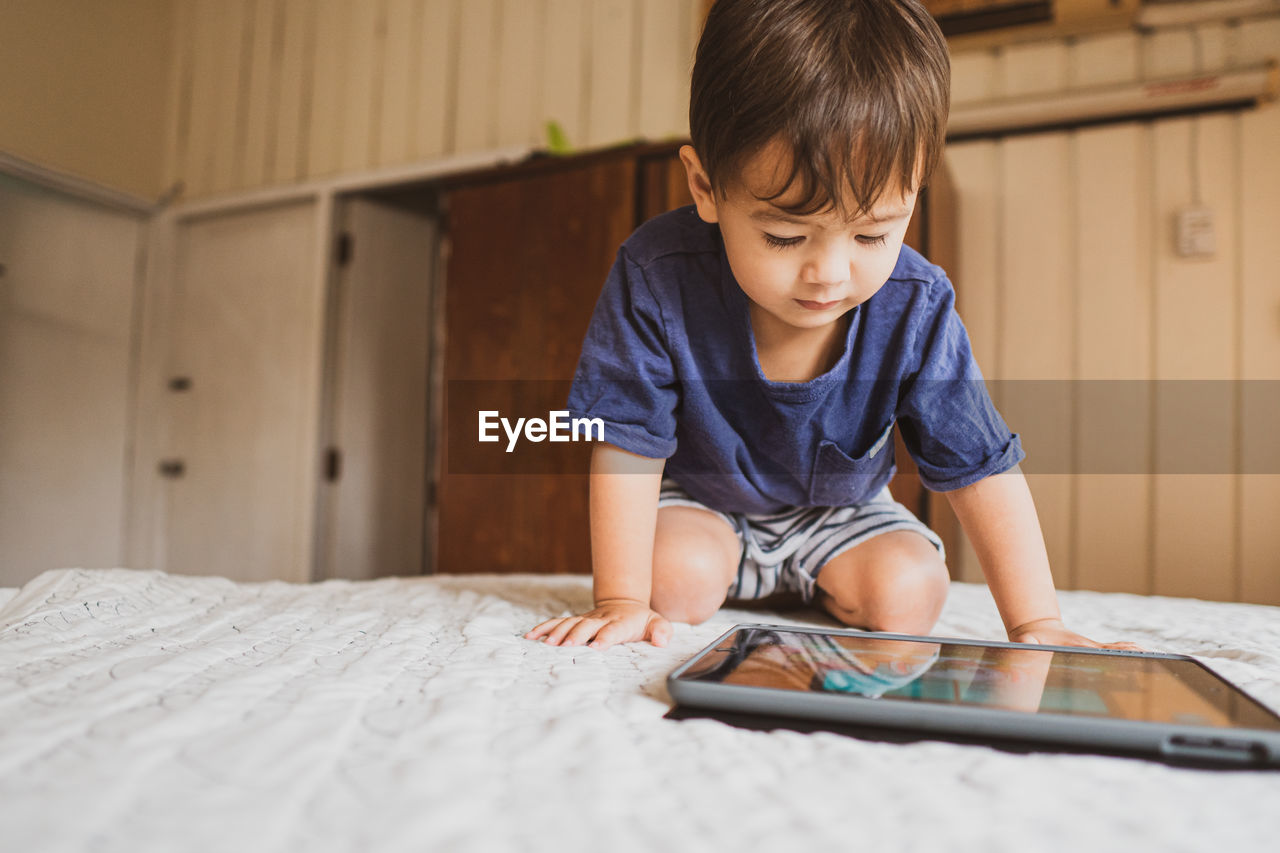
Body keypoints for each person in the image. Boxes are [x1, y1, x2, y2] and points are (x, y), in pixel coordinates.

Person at [525, 0, 1139, 653]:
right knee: (671, 582)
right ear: (706, 186)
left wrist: (1035, 622)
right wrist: (620, 599)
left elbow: (980, 466)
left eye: (873, 233)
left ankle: (819, 580)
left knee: (909, 593)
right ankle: (734, 573)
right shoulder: (656, 273)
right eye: (786, 236)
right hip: (704, 504)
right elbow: (625, 438)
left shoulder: (915, 304)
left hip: (845, 515)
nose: (830, 272)